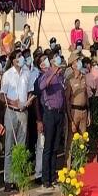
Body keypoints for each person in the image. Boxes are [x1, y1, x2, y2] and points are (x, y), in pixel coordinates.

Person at [0, 49, 31, 192]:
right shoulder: (7, 75)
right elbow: (2, 96)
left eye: (22, 56)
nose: (22, 59)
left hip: (23, 112)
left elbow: (30, 91)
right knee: (9, 146)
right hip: (11, 112)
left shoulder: (26, 73)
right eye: (19, 57)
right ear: (13, 60)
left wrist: (28, 101)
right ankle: (8, 179)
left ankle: (18, 178)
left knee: (21, 146)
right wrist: (13, 102)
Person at [36, 53, 64, 188]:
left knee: (55, 147)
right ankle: (45, 178)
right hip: (49, 113)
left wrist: (58, 73)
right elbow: (42, 87)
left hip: (59, 113)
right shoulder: (45, 75)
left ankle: (53, 176)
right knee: (48, 147)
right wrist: (52, 73)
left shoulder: (60, 76)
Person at [65, 53, 89, 152]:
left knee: (83, 140)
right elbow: (67, 100)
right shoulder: (69, 80)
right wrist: (71, 120)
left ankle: (81, 163)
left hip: (84, 112)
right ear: (73, 65)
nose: (79, 63)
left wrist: (89, 114)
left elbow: (86, 96)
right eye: (77, 61)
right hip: (74, 112)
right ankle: (68, 165)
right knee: (71, 140)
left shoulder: (84, 77)